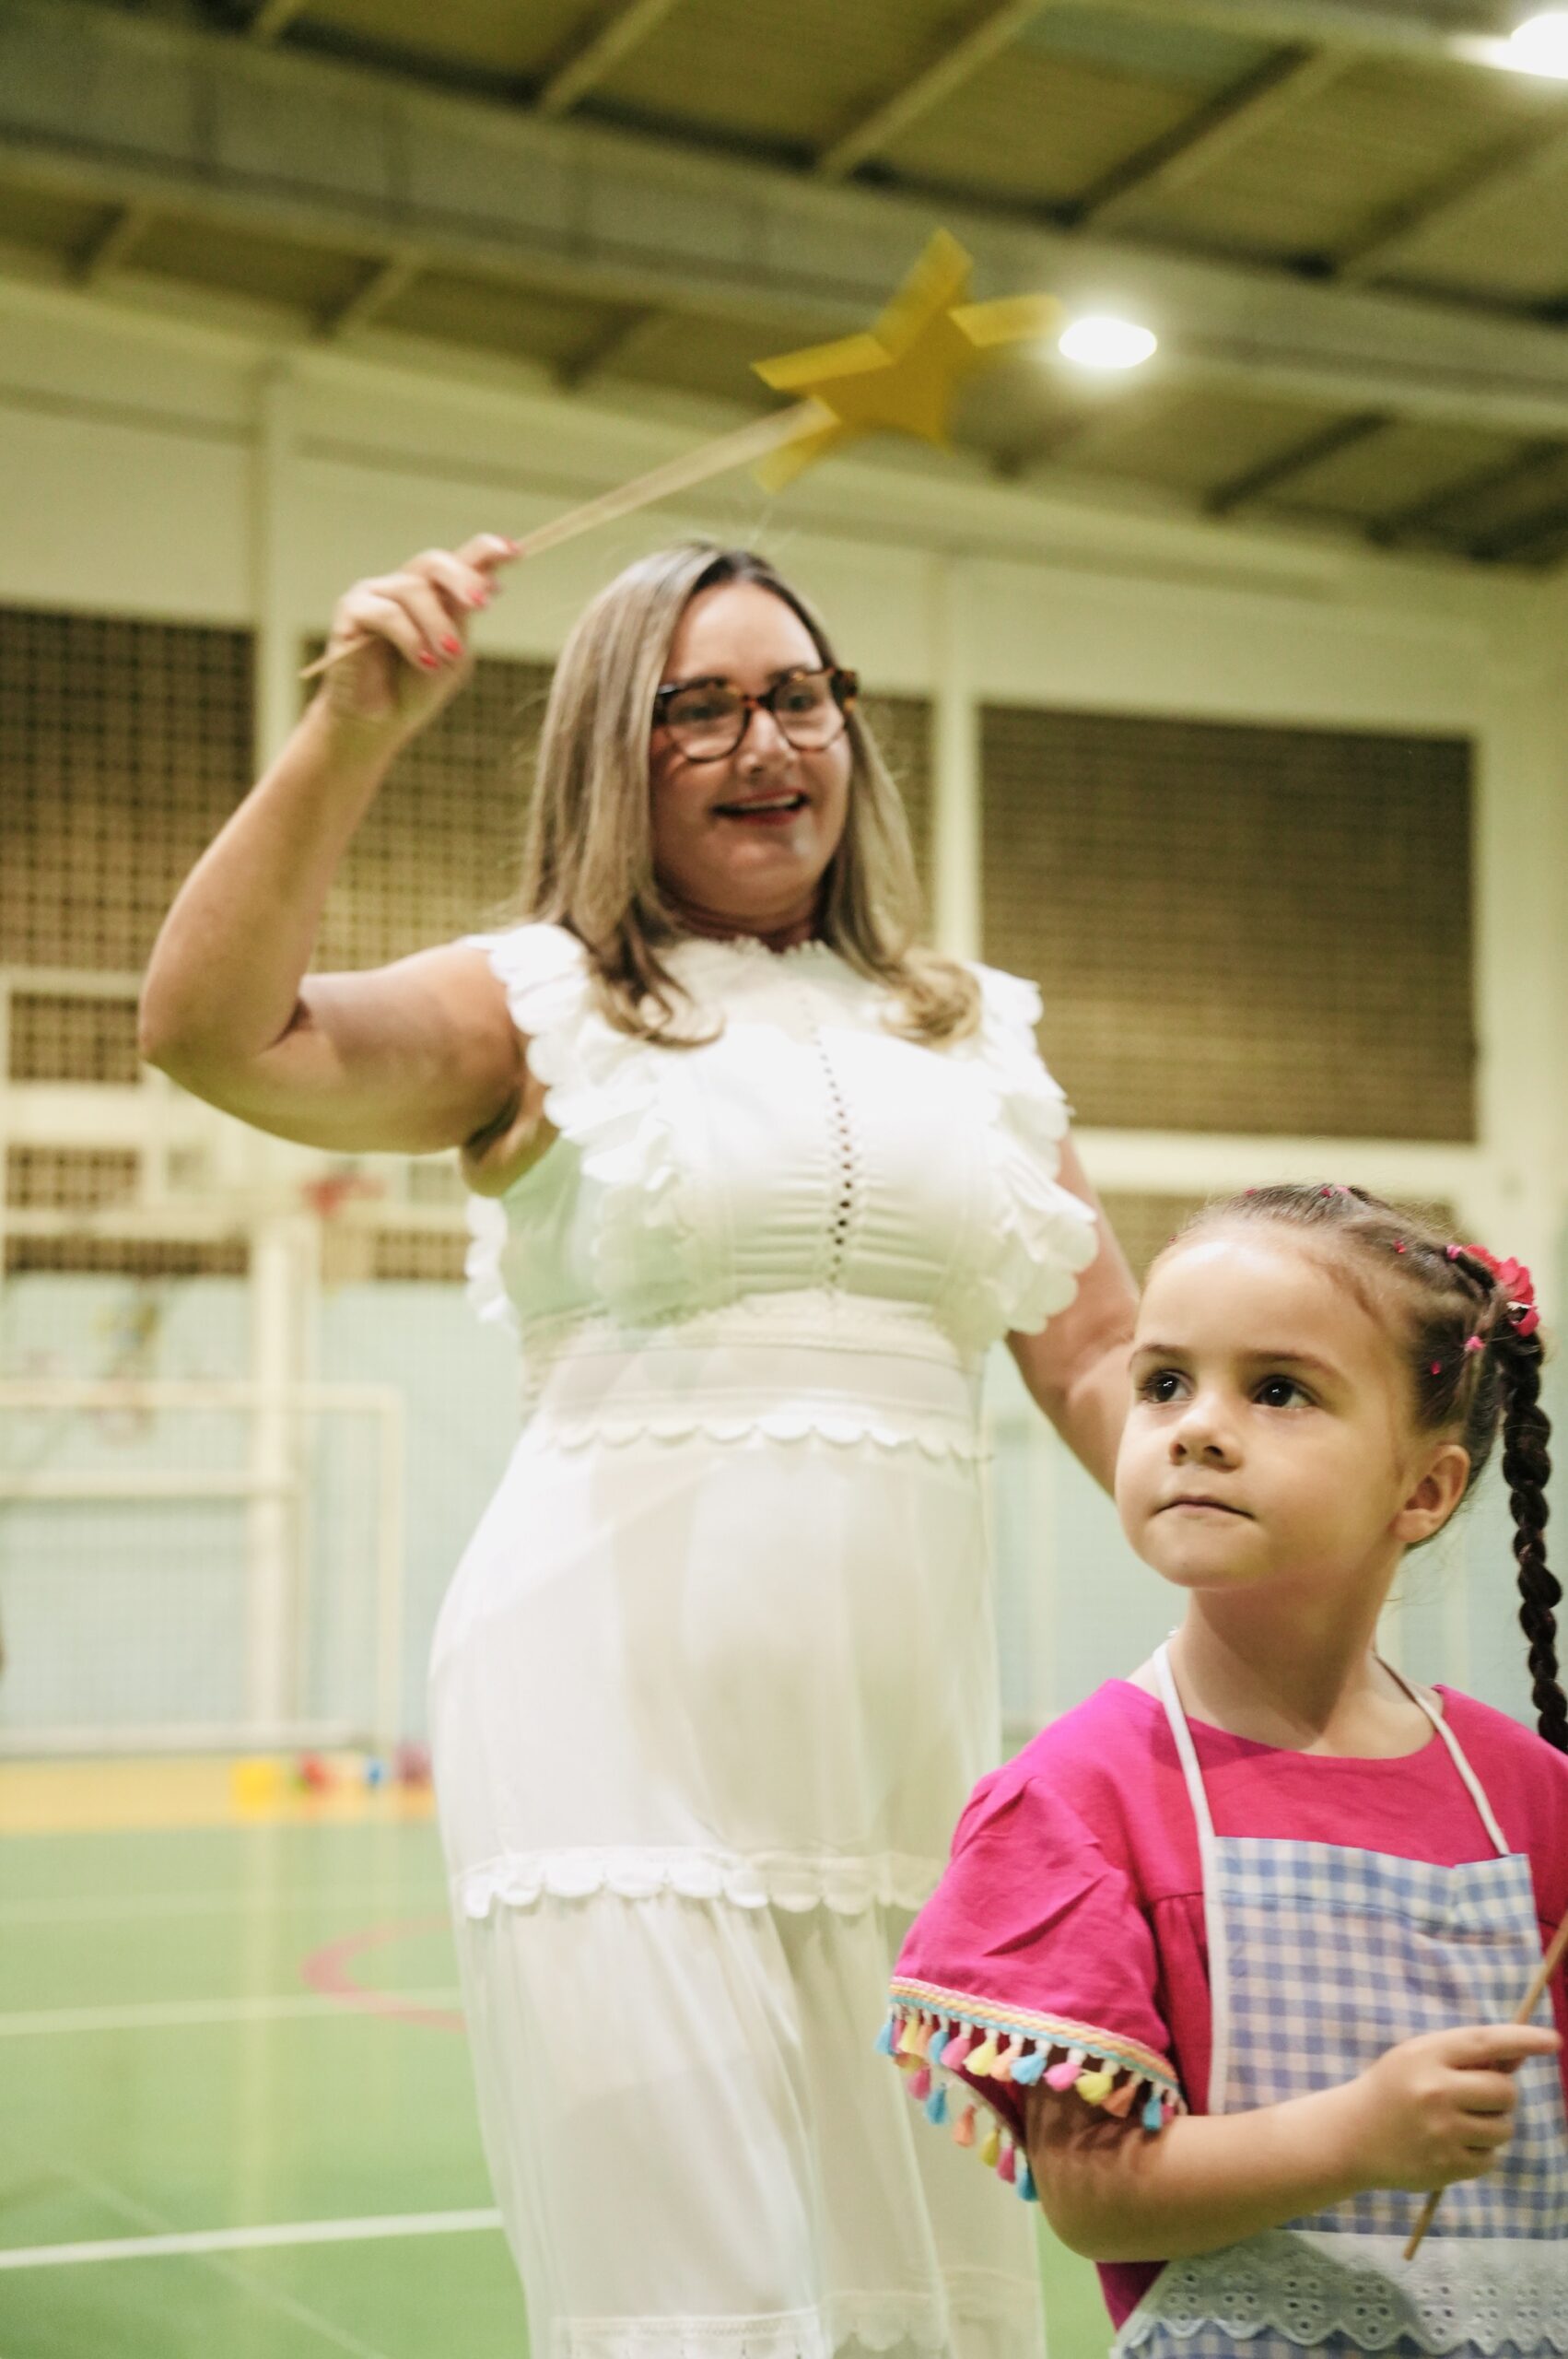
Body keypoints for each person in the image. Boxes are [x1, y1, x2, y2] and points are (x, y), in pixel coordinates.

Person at [138, 533, 1139, 2359]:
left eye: (798, 695)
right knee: (698, 2302)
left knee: (921, 2300)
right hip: (605, 1745)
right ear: (615, 746)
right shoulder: (538, 1004)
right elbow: (212, 1033)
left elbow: (1104, 1365)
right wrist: (352, 730)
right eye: (699, 708)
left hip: (899, 1769)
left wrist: (1317, 1459)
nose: (765, 741)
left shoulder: (974, 1034)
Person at [883, 1182, 1568, 2357]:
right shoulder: (1079, 1798)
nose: (1195, 1427)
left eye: (1278, 1389)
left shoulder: (1527, 1796)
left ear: (1423, 1489)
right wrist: (1355, 2138)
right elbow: (1093, 2198)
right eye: (1163, 1383)